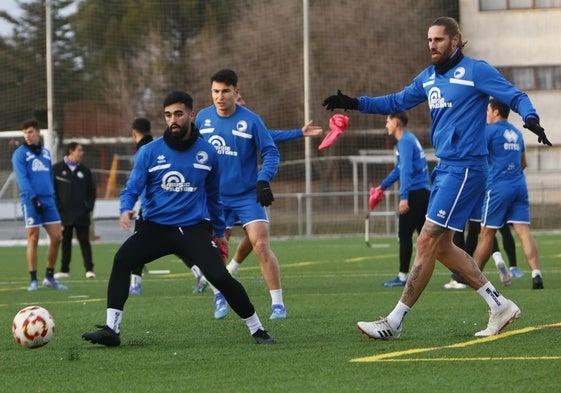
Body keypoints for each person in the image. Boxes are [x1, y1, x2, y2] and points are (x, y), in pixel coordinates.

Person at [323, 16, 551, 339]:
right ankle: (499, 305)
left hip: (467, 167)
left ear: (455, 41)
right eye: (429, 40)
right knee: (443, 247)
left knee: (426, 240)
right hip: (446, 168)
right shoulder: (428, 78)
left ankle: (394, 321)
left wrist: (531, 117)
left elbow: (515, 95)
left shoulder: (475, 71)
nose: (432, 45)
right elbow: (395, 101)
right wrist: (353, 103)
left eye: (439, 40)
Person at [81, 91, 275, 346]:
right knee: (122, 260)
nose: (173, 119)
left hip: (193, 229)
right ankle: (111, 329)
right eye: (168, 115)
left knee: (220, 277)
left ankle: (257, 329)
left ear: (191, 115)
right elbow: (132, 188)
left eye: (179, 114)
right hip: (156, 229)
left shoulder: (208, 153)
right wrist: (125, 208)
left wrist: (218, 233)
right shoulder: (150, 152)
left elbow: (214, 198)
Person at [193, 92, 323, 292]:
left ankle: (235, 269)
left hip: (246, 193)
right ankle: (212, 280)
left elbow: (269, 139)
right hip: (218, 196)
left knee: (257, 238)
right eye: (239, 99)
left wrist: (299, 132)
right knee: (219, 242)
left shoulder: (249, 121)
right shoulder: (207, 120)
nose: (242, 103)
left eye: (242, 99)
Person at [195, 69, 285, 320]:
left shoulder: (252, 120)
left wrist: (264, 180)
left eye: (225, 91)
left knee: (261, 244)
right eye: (215, 91)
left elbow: (271, 152)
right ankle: (219, 296)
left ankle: (278, 304)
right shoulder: (202, 119)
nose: (220, 96)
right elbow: (191, 153)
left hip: (246, 195)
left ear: (236, 91)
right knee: (212, 250)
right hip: (214, 198)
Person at [472, 98, 544, 289]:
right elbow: (524, 163)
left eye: (487, 109)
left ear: (496, 112)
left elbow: (477, 156)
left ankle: (472, 277)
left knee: (486, 233)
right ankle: (536, 274)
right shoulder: (517, 132)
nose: (486, 113)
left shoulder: (487, 131)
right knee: (523, 231)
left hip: (498, 187)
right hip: (519, 186)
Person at [374, 112, 430, 287]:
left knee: (405, 235)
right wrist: (382, 186)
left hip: (414, 194)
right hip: (423, 193)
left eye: (388, 121)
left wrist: (404, 198)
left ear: (396, 122)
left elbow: (405, 172)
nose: (386, 125)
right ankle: (457, 273)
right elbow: (399, 169)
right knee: (429, 240)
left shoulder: (405, 142)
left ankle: (403, 276)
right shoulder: (409, 138)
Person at [11, 119, 66, 291]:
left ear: (38, 133)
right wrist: (33, 198)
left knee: (57, 237)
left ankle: (49, 277)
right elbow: (22, 178)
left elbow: (49, 176)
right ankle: (33, 279)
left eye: (31, 132)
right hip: (31, 200)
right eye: (25, 132)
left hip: (48, 200)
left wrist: (53, 196)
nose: (27, 135)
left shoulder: (46, 153)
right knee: (33, 238)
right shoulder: (19, 154)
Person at [53, 142, 97, 280]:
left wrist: (87, 207)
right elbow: (53, 192)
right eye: (79, 150)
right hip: (64, 215)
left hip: (81, 214)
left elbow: (92, 191)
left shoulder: (85, 170)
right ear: (71, 151)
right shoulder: (57, 169)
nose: (82, 152)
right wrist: (58, 209)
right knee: (65, 242)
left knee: (85, 242)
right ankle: (64, 270)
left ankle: (89, 269)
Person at [127, 117, 153, 295]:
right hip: (162, 205)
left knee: (136, 245)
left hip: (149, 206)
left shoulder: (142, 152)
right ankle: (199, 273)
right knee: (178, 243)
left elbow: (138, 182)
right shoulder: (158, 146)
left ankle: (135, 284)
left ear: (134, 133)